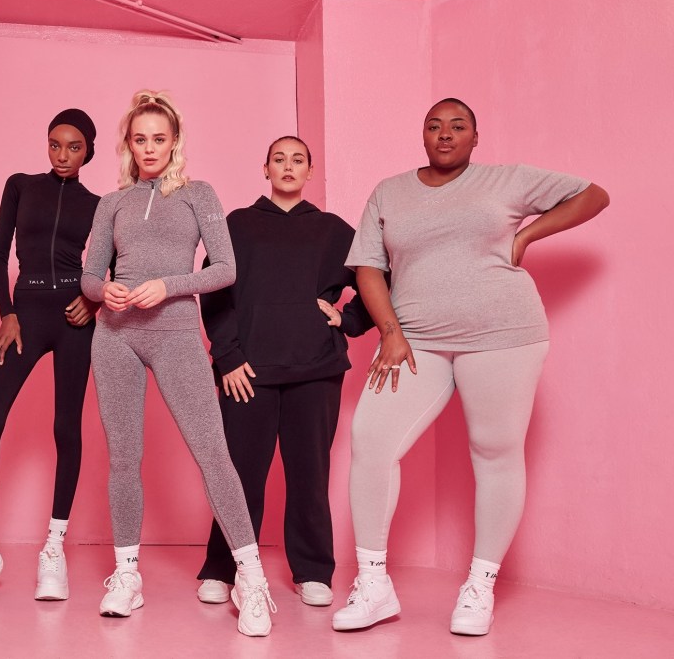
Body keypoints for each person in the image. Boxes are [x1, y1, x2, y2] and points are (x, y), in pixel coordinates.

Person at [332, 98, 609, 636]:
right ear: (423, 135)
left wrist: (527, 235)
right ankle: (374, 584)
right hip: (417, 340)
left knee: (495, 451)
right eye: (434, 126)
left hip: (504, 335)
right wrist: (389, 332)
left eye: (458, 126)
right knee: (371, 440)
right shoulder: (390, 191)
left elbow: (593, 195)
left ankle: (480, 585)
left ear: (475, 138)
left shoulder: (506, 181)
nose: (445, 134)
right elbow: (368, 265)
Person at [80, 90, 276, 637]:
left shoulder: (199, 194)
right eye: (139, 139)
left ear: (175, 142)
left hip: (174, 334)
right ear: (128, 143)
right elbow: (90, 275)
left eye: (158, 139)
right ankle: (126, 575)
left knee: (213, 451)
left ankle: (252, 579)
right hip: (114, 335)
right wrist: (106, 291)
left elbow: (226, 269)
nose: (149, 148)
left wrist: (168, 285)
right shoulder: (111, 202)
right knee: (124, 457)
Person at [195, 136, 372, 608]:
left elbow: (378, 279)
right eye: (279, 159)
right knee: (238, 475)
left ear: (310, 171)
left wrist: (348, 319)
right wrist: (227, 357)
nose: (288, 166)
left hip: (316, 369)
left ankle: (313, 569)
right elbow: (212, 293)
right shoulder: (237, 225)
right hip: (247, 372)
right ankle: (224, 567)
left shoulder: (334, 231)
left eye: (298, 160)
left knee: (310, 474)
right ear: (265, 169)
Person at [0, 109, 101, 604]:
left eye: (74, 147)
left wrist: (95, 298)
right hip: (26, 312)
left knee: (67, 429)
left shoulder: (99, 204)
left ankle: (53, 548)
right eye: (55, 144)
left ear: (89, 151)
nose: (63, 155)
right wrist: (8, 311)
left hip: (73, 320)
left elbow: (109, 262)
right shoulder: (20, 186)